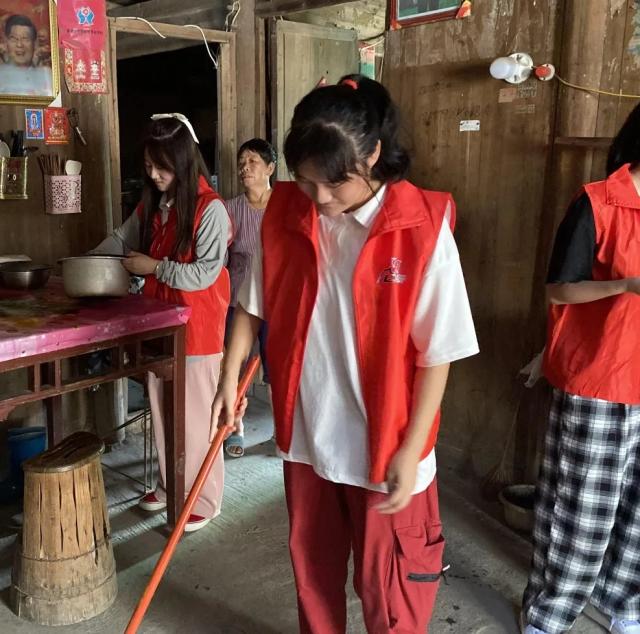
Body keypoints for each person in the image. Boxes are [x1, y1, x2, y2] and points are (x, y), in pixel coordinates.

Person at [212, 75, 478, 632]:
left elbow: (440, 352)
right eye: (306, 181)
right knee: (313, 576)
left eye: (335, 183)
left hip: (387, 446)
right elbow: (251, 306)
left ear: (373, 154)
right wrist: (227, 380)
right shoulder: (287, 214)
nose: (321, 199)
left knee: (392, 593)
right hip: (309, 437)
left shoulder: (421, 227)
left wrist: (411, 449)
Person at [521, 104, 640, 634]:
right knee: (580, 512)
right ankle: (550, 611)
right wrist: (625, 285)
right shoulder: (598, 202)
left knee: (637, 513)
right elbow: (559, 290)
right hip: (601, 379)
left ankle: (626, 602)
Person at [93, 113, 232, 532]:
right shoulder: (156, 204)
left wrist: (154, 266)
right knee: (163, 412)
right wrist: (84, 262)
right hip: (160, 325)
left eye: (162, 166)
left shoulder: (211, 209)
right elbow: (121, 238)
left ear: (184, 162)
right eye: (149, 166)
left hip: (197, 331)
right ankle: (172, 486)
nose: (154, 175)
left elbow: (204, 274)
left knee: (196, 420)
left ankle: (204, 499)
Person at [223, 138, 276, 457]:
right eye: (242, 162)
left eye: (253, 161)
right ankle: (236, 429)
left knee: (276, 367)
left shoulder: (282, 206)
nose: (245, 168)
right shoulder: (230, 209)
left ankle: (281, 431)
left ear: (270, 168)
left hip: (274, 300)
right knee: (236, 363)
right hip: (237, 299)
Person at [0, 15, 52, 96]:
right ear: (6, 43)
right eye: (14, 39)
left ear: (34, 43)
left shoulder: (46, 74)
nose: (19, 44)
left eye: (25, 39)